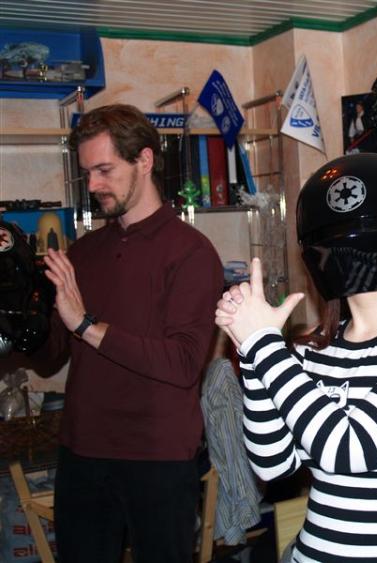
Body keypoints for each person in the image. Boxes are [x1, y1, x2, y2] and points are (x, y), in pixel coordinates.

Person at [216, 153, 377, 562]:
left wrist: (263, 345)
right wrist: (250, 351)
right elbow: (273, 465)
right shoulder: (311, 350)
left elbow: (348, 449)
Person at [41, 104, 223, 563]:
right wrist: (19, 319)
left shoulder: (192, 253)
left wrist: (86, 324)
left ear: (144, 160)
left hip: (157, 458)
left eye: (105, 170)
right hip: (82, 452)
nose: (93, 185)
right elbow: (50, 355)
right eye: (87, 173)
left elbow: (183, 363)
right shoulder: (84, 252)